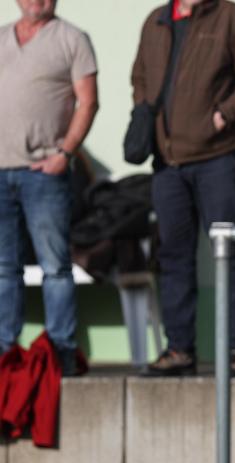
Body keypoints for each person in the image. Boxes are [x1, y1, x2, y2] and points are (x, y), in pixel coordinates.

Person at [131, 0, 235, 377]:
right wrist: (146, 116)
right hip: (166, 163)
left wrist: (224, 114)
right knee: (173, 256)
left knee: (228, 251)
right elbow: (140, 78)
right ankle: (179, 348)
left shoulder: (231, 17)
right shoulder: (156, 21)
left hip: (217, 158)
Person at [0, 0, 98, 375]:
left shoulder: (72, 39)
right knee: (3, 269)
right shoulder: (2, 38)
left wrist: (65, 153)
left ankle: (61, 352)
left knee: (56, 266)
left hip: (44, 173)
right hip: (0, 173)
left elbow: (87, 102)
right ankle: (4, 350)